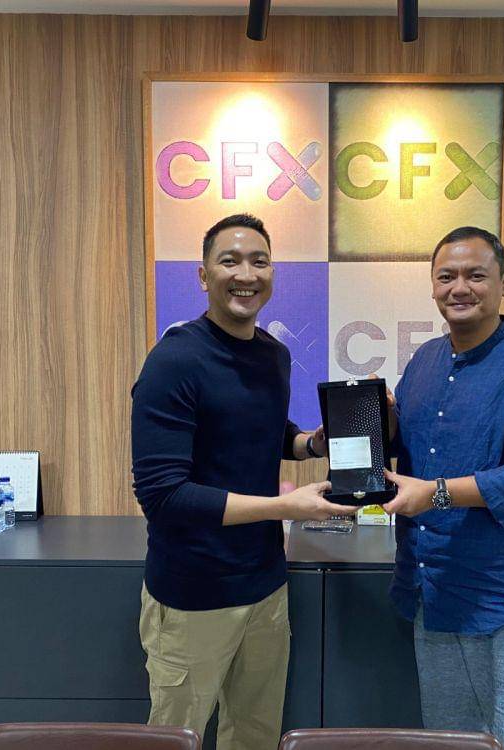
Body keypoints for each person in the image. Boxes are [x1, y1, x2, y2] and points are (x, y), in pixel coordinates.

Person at [130, 213, 352, 750]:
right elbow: (163, 495)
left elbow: (266, 433)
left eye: (259, 261)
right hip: (192, 594)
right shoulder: (174, 360)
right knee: (176, 740)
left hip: (265, 586)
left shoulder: (273, 355)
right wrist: (285, 508)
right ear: (203, 275)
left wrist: (312, 444)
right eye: (229, 261)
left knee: (254, 735)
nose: (246, 274)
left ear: (272, 273)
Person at [382, 226, 504, 750]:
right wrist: (376, 422)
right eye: (446, 276)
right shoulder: (424, 361)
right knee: (451, 739)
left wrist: (436, 494)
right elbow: (413, 444)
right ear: (432, 285)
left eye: (476, 275)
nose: (459, 288)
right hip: (435, 585)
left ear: (503, 283)